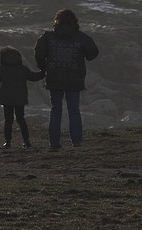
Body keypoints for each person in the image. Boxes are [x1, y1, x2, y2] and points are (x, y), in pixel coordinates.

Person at [35, 8, 99, 150]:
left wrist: (44, 68)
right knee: (74, 110)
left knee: (55, 109)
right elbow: (93, 53)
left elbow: (39, 54)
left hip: (54, 79)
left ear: (57, 21)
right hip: (74, 80)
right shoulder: (81, 37)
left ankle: (54, 143)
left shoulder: (47, 37)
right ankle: (76, 142)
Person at [0, 45, 44, 148]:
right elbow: (33, 77)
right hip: (20, 97)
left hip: (6, 98)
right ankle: (26, 141)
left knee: (8, 120)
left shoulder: (3, 68)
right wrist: (44, 72)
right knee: (21, 119)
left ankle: (8, 142)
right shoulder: (22, 68)